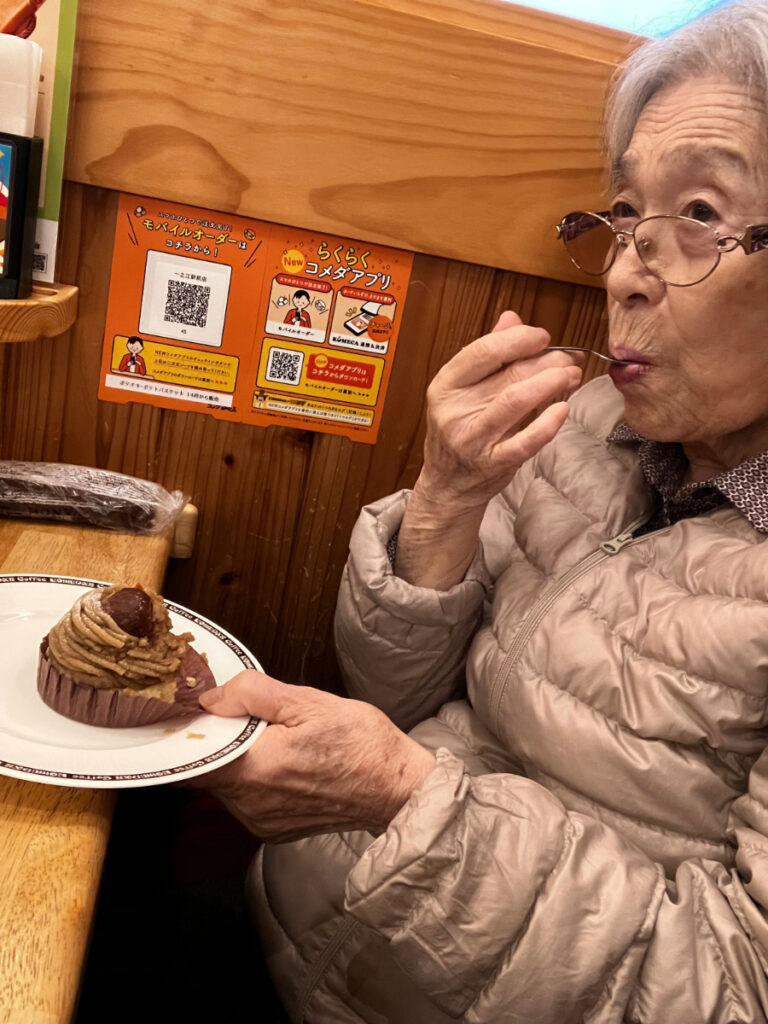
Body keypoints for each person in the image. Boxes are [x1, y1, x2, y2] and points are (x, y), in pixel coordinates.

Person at [199, 2, 768, 1020]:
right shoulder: (590, 430)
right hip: (290, 931)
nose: (628, 272)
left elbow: (733, 991)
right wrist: (448, 497)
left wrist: (405, 800)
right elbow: (395, 695)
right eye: (627, 215)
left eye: (696, 217)